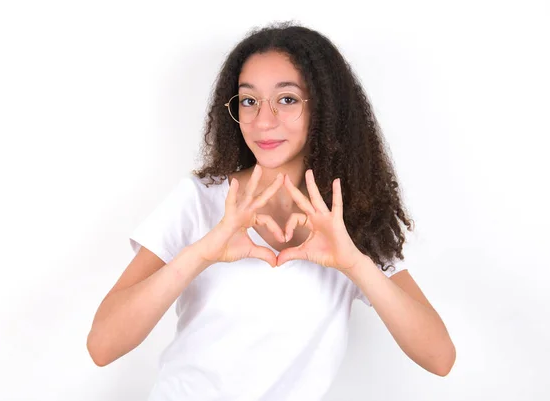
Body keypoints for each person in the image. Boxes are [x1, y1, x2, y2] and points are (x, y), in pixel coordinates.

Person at [87, 21, 456, 400]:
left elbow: (439, 356)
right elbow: (103, 346)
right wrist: (201, 254)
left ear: (325, 108)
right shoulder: (199, 199)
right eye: (249, 101)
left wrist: (355, 264)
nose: (263, 120)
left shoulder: (348, 219)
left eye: (287, 99)